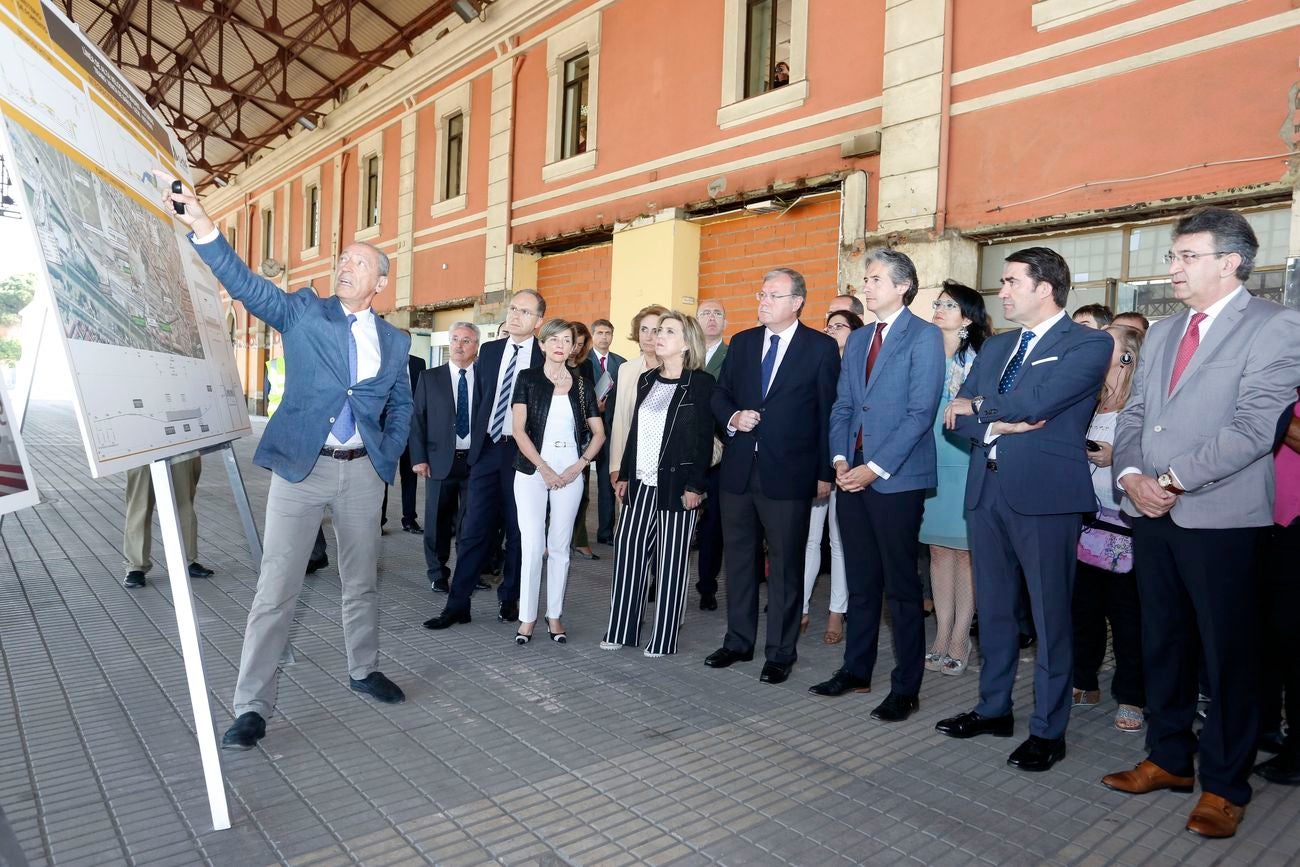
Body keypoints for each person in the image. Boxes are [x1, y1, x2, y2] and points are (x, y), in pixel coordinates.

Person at [164, 185, 414, 752]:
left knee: (362, 581)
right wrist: (204, 228)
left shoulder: (395, 340)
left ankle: (362, 668)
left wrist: (387, 454)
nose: (345, 267)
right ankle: (252, 705)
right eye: (343, 259)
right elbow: (248, 288)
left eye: (359, 263)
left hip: (362, 475)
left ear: (380, 283)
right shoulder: (304, 310)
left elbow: (401, 401)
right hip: (302, 472)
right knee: (276, 588)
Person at [1104, 207, 1300, 838]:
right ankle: (1168, 759)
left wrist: (1169, 481)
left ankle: (1223, 784)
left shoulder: (1275, 327)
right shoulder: (1162, 332)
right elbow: (1133, 417)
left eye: (1187, 256)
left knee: (1229, 656)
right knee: (1163, 641)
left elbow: (1253, 430)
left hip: (1221, 519)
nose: (1174, 268)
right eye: (1173, 256)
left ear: (1230, 262)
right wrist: (1131, 476)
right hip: (1152, 512)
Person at [935, 246, 1111, 773]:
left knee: (1049, 614)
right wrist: (997, 420)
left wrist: (985, 410)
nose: (1002, 292)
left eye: (1011, 282)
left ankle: (1047, 730)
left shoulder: (1088, 343)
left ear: (1045, 287)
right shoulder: (997, 347)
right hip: (985, 492)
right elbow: (956, 412)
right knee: (992, 611)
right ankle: (994, 709)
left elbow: (1039, 402)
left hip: (1044, 497)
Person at [810, 250, 944, 723]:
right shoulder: (862, 337)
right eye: (866, 279)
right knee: (861, 581)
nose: (866, 287)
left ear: (903, 286)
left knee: (901, 587)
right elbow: (843, 407)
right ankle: (856, 669)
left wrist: (876, 467)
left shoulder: (924, 337)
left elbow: (920, 413)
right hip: (853, 474)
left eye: (875, 279)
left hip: (896, 478)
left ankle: (907, 688)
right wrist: (843, 459)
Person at [705, 267, 839, 684]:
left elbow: (827, 413)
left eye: (774, 296)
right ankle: (738, 641)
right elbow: (720, 394)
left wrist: (824, 471)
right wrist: (732, 417)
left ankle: (781, 652)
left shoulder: (819, 348)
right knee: (740, 560)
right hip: (739, 471)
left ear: (797, 302)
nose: (763, 302)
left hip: (791, 474)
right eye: (761, 294)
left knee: (785, 565)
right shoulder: (742, 344)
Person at [424, 290, 546, 630]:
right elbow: (481, 402)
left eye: (525, 311)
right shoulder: (490, 352)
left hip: (524, 455)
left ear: (538, 321)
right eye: (513, 309)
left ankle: (509, 599)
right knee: (473, 529)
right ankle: (457, 605)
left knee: (518, 531)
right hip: (489, 450)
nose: (516, 315)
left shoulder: (545, 356)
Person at [601, 312, 714, 656]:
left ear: (686, 342)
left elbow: (703, 440)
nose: (659, 336)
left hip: (678, 488)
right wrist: (624, 475)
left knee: (671, 563)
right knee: (628, 555)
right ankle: (622, 629)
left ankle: (664, 638)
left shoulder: (701, 383)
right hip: (640, 485)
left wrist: (695, 486)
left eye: (668, 331)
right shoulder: (647, 379)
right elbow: (635, 431)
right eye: (658, 330)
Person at [510, 319, 605, 644]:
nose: (561, 345)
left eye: (568, 339)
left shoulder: (582, 385)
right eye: (555, 339)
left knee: (561, 547)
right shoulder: (527, 379)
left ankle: (554, 616)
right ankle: (527, 619)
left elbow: (599, 434)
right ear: (543, 345)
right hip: (531, 469)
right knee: (533, 546)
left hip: (571, 470)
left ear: (574, 346)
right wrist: (544, 468)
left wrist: (579, 466)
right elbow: (519, 430)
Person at [1072, 324, 1145, 733]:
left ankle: (1132, 695)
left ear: (1127, 358)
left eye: (1106, 345)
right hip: (1085, 524)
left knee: (1127, 616)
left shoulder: (1139, 407)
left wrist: (1116, 459)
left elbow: (1151, 461)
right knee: (1083, 609)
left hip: (1128, 529)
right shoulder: (1088, 402)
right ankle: (1085, 680)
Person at [919, 281, 988, 676]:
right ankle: (941, 631)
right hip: (928, 458)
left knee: (966, 553)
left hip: (965, 460)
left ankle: (961, 636)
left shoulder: (980, 356)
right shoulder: (924, 350)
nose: (939, 309)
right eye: (938, 303)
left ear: (967, 316)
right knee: (937, 551)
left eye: (949, 304)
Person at [802, 308, 863, 643]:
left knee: (839, 542)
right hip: (815, 464)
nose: (830, 330)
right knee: (809, 539)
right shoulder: (816, 362)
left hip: (848, 466)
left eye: (839, 326)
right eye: (828, 325)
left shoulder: (858, 368)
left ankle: (837, 612)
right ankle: (801, 608)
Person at [409, 322, 480, 593]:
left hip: (475, 461)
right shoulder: (430, 377)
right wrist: (419, 457)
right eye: (455, 340)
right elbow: (417, 419)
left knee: (472, 520)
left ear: (476, 347)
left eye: (466, 341)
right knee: (437, 520)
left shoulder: (484, 377)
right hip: (439, 460)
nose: (459, 345)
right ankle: (437, 573)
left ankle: (468, 572)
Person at [1256, 393, 1300, 785]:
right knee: (1266, 637)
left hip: (1295, 527)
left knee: (1293, 640)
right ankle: (1265, 726)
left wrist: (1266, 409)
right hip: (1266, 521)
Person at [266, 356, 328, 574]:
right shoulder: (277, 364)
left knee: (305, 498)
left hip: (302, 438)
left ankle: (315, 553)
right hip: (288, 439)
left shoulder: (311, 360)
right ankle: (315, 552)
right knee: (301, 499)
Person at [122, 456, 212, 588]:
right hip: (138, 445)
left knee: (184, 503)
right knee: (139, 506)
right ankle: (136, 566)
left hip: (178, 444)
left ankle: (187, 560)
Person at [696, 299, 729, 611]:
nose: (711, 318)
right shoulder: (683, 353)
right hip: (684, 452)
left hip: (720, 453)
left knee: (713, 524)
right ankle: (659, 578)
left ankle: (707, 586)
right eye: (705, 312)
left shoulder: (733, 356)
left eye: (717, 313)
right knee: (673, 518)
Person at [610, 305, 667, 483]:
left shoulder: (678, 371)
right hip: (631, 461)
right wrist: (616, 466)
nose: (649, 337)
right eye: (644, 330)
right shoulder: (626, 369)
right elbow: (620, 419)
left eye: (656, 331)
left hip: (666, 462)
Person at [381, 336, 426, 533]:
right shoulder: (382, 362)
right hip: (387, 430)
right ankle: (379, 521)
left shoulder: (418, 363)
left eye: (406, 340)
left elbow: (422, 393)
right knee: (383, 475)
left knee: (410, 475)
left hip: (411, 428)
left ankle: (409, 519)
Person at [589, 318, 625, 545]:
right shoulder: (583, 361)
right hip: (587, 428)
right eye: (600, 333)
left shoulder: (621, 363)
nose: (604, 337)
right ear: (593, 335)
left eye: (608, 333)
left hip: (611, 428)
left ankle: (606, 532)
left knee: (606, 480)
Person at [569, 321, 600, 561]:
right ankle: (553, 538)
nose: (576, 349)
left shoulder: (587, 366)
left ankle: (579, 540)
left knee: (582, 490)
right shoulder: (551, 364)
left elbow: (591, 396)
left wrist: (596, 405)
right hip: (555, 434)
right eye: (573, 343)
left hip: (582, 435)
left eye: (581, 345)